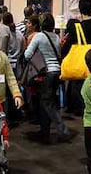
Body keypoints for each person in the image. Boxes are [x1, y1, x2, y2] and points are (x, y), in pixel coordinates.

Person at [24, 13, 74, 143]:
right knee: (46, 102)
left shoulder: (39, 36)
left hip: (46, 72)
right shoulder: (56, 36)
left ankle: (63, 131)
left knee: (47, 103)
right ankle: (44, 130)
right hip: (57, 72)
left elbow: (27, 54)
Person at [2, 12, 26, 127]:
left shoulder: (5, 34)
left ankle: (9, 116)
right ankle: (17, 113)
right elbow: (23, 50)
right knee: (16, 90)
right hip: (18, 65)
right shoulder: (20, 34)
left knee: (6, 92)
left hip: (7, 65)